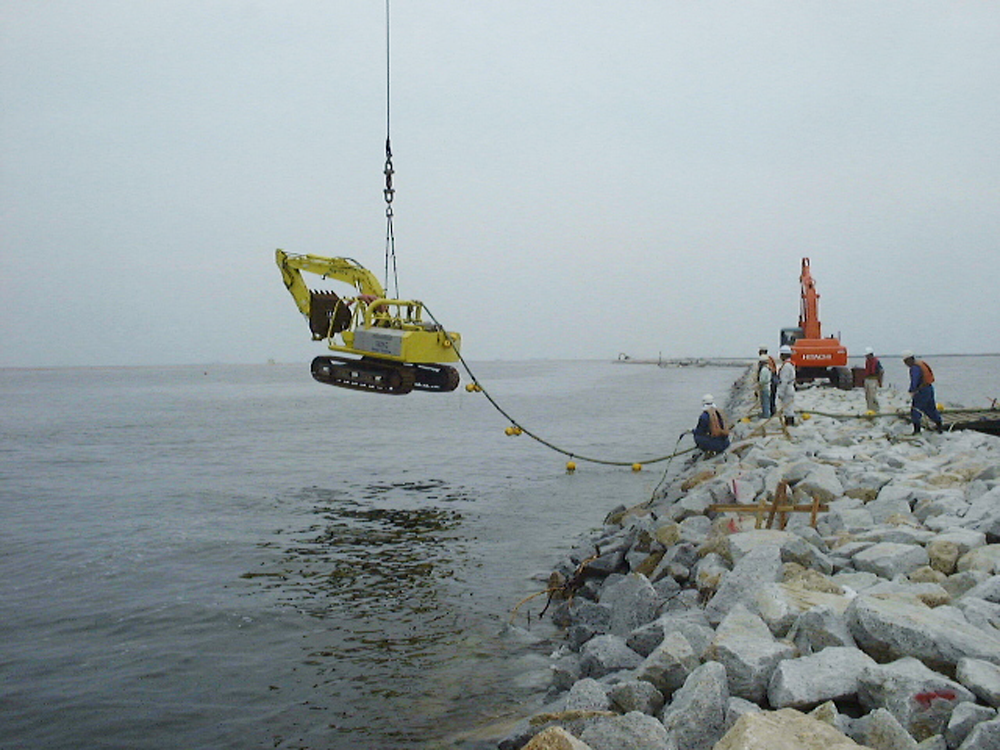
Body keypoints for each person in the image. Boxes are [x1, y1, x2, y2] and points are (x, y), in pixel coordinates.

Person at [902, 350, 943, 434]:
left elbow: (915, 380)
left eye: (905, 361)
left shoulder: (914, 368)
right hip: (929, 388)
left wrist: (911, 391)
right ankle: (939, 426)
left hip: (922, 391)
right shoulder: (920, 364)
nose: (905, 364)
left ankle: (917, 431)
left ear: (909, 359)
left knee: (915, 410)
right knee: (931, 409)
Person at [776, 345, 796, 427]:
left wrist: (780, 393)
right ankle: (790, 424)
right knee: (789, 408)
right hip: (789, 388)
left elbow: (784, 381)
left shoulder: (786, 366)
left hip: (787, 389)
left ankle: (789, 424)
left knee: (787, 409)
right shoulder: (790, 365)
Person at [862, 346, 884, 412]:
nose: (866, 357)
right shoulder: (867, 361)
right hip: (867, 379)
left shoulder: (876, 362)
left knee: (872, 396)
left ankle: (876, 409)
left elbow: (881, 371)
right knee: (867, 396)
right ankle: (869, 409)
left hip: (873, 380)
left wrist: (880, 382)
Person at [759, 346, 778, 413]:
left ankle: (769, 413)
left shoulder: (767, 361)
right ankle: (771, 411)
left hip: (770, 382)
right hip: (771, 381)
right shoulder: (770, 359)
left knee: (768, 399)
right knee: (771, 398)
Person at [757, 353, 773, 419]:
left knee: (765, 403)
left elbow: (762, 381)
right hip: (767, 387)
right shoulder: (768, 369)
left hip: (765, 388)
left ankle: (766, 415)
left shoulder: (764, 370)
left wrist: (758, 385)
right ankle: (766, 414)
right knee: (766, 402)